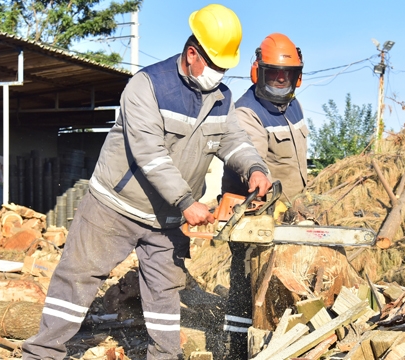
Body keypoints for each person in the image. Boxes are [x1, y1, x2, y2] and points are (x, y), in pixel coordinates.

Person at [22, 4, 272, 360]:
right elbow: (150, 154)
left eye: (225, 67)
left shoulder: (220, 99)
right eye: (215, 66)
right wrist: (187, 202)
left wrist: (255, 168)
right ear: (192, 54)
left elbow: (235, 140)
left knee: (164, 293)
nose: (220, 74)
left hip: (166, 218)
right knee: (77, 279)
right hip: (115, 206)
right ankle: (42, 353)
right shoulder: (147, 86)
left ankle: (164, 357)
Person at [221, 33, 307, 360]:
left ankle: (278, 345)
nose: (281, 81)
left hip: (291, 211)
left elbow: (295, 163)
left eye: (287, 74)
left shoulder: (294, 106)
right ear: (259, 72)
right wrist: (278, 202)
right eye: (274, 74)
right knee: (247, 288)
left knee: (279, 287)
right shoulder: (246, 113)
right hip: (254, 213)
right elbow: (257, 167)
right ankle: (235, 351)